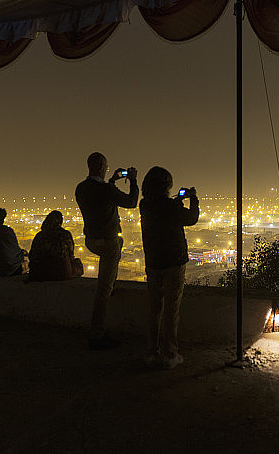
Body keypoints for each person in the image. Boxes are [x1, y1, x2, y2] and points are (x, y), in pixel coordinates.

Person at [75, 152, 139, 350]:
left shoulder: (81, 188)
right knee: (103, 290)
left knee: (117, 247)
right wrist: (133, 180)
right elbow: (131, 202)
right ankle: (97, 334)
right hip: (108, 242)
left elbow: (100, 196)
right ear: (102, 166)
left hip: (91, 241)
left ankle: (111, 283)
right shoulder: (106, 189)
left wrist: (111, 181)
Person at [139, 167, 199, 369]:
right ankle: (169, 354)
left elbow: (163, 211)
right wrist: (193, 198)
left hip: (153, 262)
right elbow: (191, 218)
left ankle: (151, 351)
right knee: (171, 309)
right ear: (167, 185)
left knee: (154, 309)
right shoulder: (170, 207)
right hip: (174, 262)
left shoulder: (144, 204)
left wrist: (176, 201)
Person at [28, 210, 83, 281]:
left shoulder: (40, 236)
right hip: (62, 273)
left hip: (40, 273)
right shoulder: (65, 235)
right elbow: (71, 253)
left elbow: (32, 256)